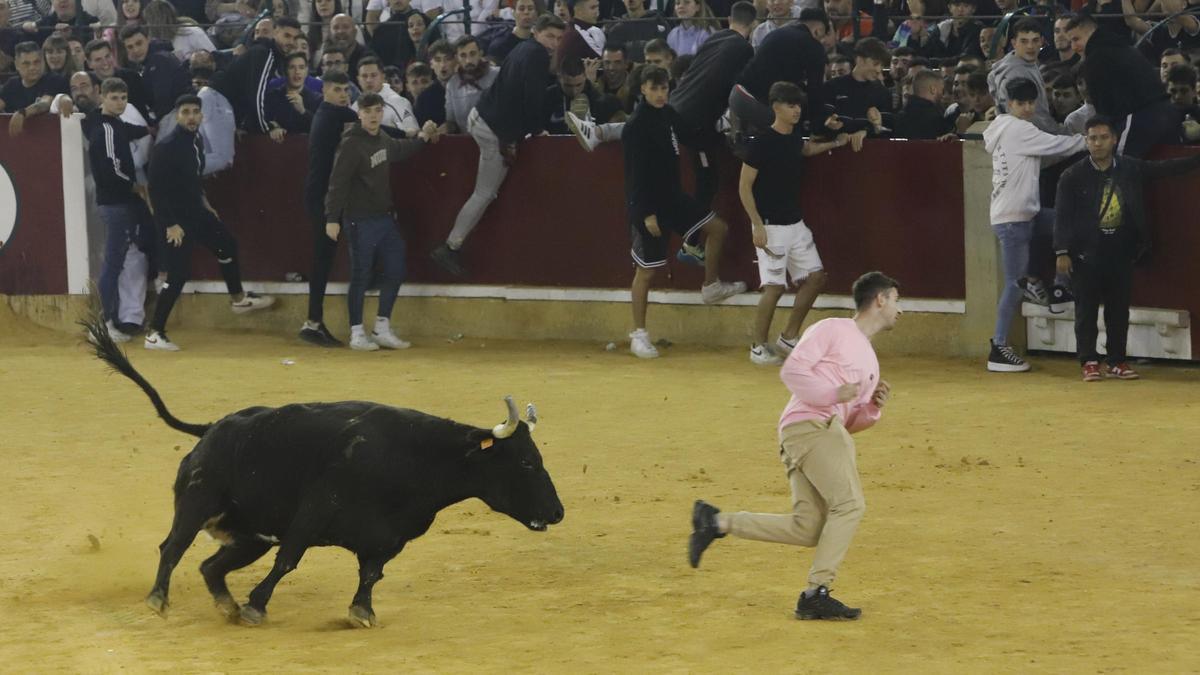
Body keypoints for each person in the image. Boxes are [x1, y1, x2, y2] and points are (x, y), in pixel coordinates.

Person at [688, 270, 903, 621]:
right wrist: (833, 395)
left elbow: (849, 422)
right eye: (896, 300)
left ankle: (716, 522)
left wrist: (872, 408)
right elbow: (792, 372)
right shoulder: (832, 329)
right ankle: (816, 592)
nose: (900, 309)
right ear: (880, 299)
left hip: (816, 432)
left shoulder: (871, 363)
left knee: (808, 527)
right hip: (809, 427)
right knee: (849, 505)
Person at [1054, 115, 1200, 381]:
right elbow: (1062, 216)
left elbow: (1164, 169)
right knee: (1086, 311)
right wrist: (1062, 251)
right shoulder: (1072, 176)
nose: (1098, 143)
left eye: (1103, 138)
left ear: (1114, 139)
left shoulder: (1129, 167)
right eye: (1093, 138)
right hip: (1085, 253)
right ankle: (1088, 360)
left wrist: (1195, 161)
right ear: (1086, 141)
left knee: (1118, 310)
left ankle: (1117, 360)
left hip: (1120, 250)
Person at [622, 65, 747, 359]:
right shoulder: (636, 125)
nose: (660, 94)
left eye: (664, 88)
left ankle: (711, 285)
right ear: (642, 89)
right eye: (654, 88)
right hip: (650, 205)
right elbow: (634, 175)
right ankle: (638, 334)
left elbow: (690, 135)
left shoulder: (666, 114)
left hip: (674, 198)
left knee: (718, 228)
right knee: (647, 271)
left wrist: (723, 133)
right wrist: (645, 213)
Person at [429, 13, 565, 277]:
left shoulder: (524, 48)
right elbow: (531, 98)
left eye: (559, 38)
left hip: (485, 120)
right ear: (537, 33)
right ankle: (450, 245)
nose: (554, 43)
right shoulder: (536, 55)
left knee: (485, 191)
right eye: (550, 36)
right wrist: (535, 130)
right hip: (493, 128)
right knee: (484, 193)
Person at [146, 94, 275, 351]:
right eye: (186, 112)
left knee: (226, 244)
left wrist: (206, 205)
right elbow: (155, 190)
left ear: (202, 115)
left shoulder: (196, 141)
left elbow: (193, 181)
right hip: (176, 221)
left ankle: (237, 298)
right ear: (177, 116)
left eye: (195, 111)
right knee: (178, 275)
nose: (192, 116)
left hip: (196, 213)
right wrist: (171, 225)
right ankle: (155, 333)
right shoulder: (167, 147)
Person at [740, 82, 849, 366]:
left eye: (798, 105)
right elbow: (744, 186)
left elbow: (805, 149)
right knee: (774, 288)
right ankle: (757, 345)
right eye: (791, 105)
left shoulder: (792, 138)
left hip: (795, 223)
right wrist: (757, 226)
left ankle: (789, 336)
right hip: (770, 226)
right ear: (776, 107)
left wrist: (835, 143)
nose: (797, 110)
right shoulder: (761, 142)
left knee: (816, 277)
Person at [982, 78, 1086, 372]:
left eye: (1030, 103)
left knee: (1068, 226)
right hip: (1015, 218)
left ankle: (1055, 289)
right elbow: (1058, 145)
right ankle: (999, 348)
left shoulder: (1001, 127)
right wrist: (1089, 140)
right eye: (1021, 103)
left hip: (1020, 214)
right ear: (1010, 103)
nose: (1027, 108)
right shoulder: (1019, 129)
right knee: (1013, 284)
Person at [324, 93, 441, 351]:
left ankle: (381, 327)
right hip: (359, 220)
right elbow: (338, 183)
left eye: (378, 110)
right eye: (368, 111)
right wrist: (332, 218)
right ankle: (356, 332)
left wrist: (422, 137)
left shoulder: (382, 138)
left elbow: (400, 150)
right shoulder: (351, 145)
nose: (374, 115)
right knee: (360, 274)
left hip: (383, 218)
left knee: (396, 268)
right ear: (359, 114)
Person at [88, 78, 155, 343]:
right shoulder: (106, 128)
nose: (119, 102)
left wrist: (148, 129)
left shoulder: (108, 124)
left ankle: (105, 321)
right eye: (114, 97)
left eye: (123, 98)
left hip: (115, 202)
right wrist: (134, 186)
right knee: (113, 263)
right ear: (102, 97)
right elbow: (111, 167)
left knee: (115, 262)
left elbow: (128, 130)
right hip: (116, 202)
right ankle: (102, 324)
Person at [1066, 12, 1180, 158]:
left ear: (1091, 33)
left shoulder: (1096, 59)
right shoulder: (1121, 47)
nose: (1074, 46)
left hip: (1139, 119)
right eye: (1071, 41)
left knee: (1116, 166)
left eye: (1076, 39)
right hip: (1166, 115)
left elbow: (1104, 108)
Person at [300, 70, 359, 347]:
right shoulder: (335, 114)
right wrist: (412, 132)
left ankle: (313, 320)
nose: (344, 95)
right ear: (325, 91)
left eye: (346, 90)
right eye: (338, 90)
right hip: (323, 197)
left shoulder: (325, 113)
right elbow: (372, 127)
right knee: (323, 259)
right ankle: (312, 322)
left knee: (322, 258)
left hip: (318, 194)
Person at [987, 17, 1059, 134]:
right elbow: (1032, 117)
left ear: (1041, 41)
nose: (1030, 46)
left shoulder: (1019, 63)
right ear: (1014, 43)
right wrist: (1060, 133)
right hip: (1027, 136)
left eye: (1035, 40)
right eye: (1024, 41)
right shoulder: (1016, 73)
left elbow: (991, 78)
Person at [0, 42, 68, 116]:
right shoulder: (12, 84)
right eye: (26, 63)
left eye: (36, 62)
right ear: (17, 65)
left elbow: (45, 104)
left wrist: (22, 113)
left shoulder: (54, 80)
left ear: (42, 61)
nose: (32, 67)